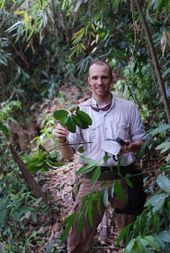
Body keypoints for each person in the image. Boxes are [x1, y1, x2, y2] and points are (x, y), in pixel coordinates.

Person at [55, 60, 146, 253]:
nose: (100, 82)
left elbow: (141, 141)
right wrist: (62, 140)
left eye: (104, 77)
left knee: (130, 237)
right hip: (92, 180)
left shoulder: (128, 108)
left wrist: (131, 147)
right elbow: (69, 155)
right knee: (77, 239)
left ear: (111, 79)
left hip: (124, 178)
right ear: (88, 81)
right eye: (95, 77)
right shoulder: (79, 112)